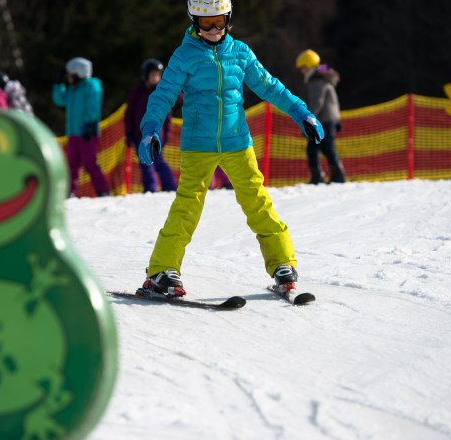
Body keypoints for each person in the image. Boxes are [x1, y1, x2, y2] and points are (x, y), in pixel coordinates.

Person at [136, 0, 324, 297]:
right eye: (206, 23)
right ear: (194, 22)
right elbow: (164, 94)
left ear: (228, 19)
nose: (213, 30)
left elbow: (270, 86)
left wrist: (302, 112)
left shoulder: (240, 53)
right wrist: (150, 130)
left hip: (238, 142)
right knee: (187, 206)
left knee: (257, 201)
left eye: (220, 22)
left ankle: (282, 265)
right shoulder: (185, 56)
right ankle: (162, 270)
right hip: (199, 144)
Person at [52, 57, 110, 197]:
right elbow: (59, 99)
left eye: (70, 75)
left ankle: (103, 191)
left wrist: (89, 123)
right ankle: (69, 192)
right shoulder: (73, 90)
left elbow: (93, 106)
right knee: (72, 164)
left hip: (86, 131)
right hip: (73, 133)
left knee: (90, 162)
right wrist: (58, 83)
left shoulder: (91, 86)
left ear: (78, 73)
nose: (68, 78)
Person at [125, 59, 177, 193]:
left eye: (158, 75)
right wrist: (129, 135)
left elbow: (167, 118)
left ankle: (169, 187)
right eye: (153, 75)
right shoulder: (137, 93)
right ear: (145, 75)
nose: (156, 78)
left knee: (158, 161)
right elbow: (129, 115)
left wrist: (166, 135)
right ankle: (150, 189)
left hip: (156, 135)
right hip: (139, 135)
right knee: (145, 163)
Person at [295, 49, 345, 184]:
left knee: (322, 147)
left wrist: (307, 120)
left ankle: (334, 176)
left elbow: (317, 102)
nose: (302, 71)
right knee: (320, 147)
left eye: (303, 68)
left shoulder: (316, 80)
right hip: (329, 118)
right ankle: (324, 176)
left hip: (323, 120)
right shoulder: (322, 77)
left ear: (309, 66)